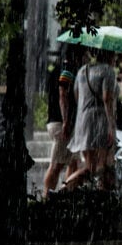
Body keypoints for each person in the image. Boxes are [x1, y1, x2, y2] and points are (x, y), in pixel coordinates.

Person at [64, 49, 119, 192]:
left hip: (82, 122)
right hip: (99, 123)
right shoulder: (108, 71)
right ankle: (61, 192)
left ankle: (102, 198)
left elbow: (77, 96)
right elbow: (107, 99)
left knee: (101, 168)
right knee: (94, 168)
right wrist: (111, 126)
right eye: (115, 55)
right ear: (110, 56)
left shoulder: (83, 70)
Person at [42, 50, 80, 198]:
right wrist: (65, 121)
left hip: (63, 123)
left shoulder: (58, 68)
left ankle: (67, 196)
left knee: (73, 162)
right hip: (61, 123)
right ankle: (46, 197)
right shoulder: (67, 68)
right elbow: (62, 94)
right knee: (57, 165)